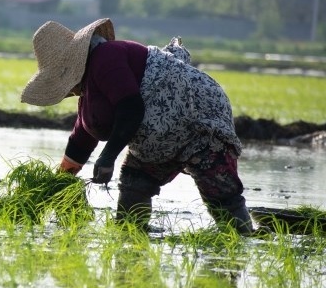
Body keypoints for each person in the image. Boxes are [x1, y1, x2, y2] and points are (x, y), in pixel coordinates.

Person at [21, 18, 253, 234]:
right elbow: (81, 138)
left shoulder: (106, 57)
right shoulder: (90, 91)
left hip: (197, 115)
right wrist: (60, 181)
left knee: (219, 188)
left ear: (73, 64)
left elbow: (130, 108)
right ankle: (132, 235)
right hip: (158, 132)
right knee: (134, 181)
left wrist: (107, 157)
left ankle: (242, 236)